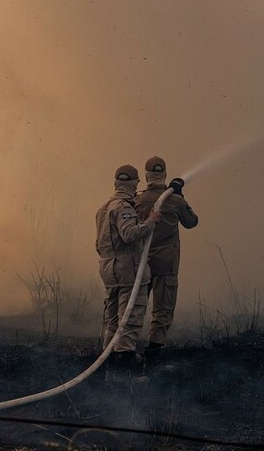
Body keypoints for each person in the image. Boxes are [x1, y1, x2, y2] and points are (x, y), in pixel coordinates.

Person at [96, 164, 161, 383]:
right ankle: (123, 378)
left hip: (109, 273)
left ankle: (109, 372)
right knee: (129, 321)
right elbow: (130, 234)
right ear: (134, 183)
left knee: (113, 323)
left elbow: (99, 245)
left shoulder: (103, 209)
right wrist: (151, 221)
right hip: (129, 274)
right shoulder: (124, 208)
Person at [135, 156, 199, 366]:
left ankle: (127, 349)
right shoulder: (175, 200)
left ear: (146, 176)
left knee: (135, 306)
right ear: (164, 174)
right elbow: (192, 222)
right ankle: (153, 355)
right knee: (163, 309)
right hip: (167, 263)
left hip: (141, 264)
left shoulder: (137, 200)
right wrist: (180, 196)